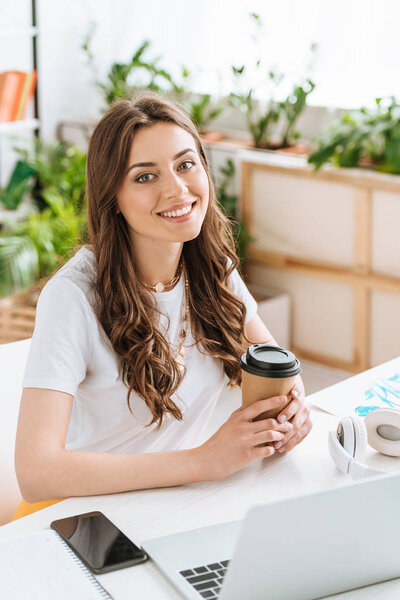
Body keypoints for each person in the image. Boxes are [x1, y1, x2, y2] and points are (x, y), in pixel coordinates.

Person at [13, 92, 312, 519]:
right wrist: (203, 461)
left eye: (185, 164)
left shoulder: (212, 268)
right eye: (144, 176)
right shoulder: (74, 296)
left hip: (160, 503)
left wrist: (293, 408)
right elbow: (36, 473)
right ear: (111, 196)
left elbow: (273, 363)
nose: (176, 189)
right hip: (70, 517)